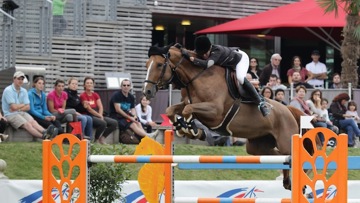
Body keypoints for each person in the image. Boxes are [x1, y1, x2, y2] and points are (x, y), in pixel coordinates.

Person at [185, 35, 269, 116]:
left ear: (210, 47)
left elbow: (207, 64)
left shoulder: (217, 51)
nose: (204, 56)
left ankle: (261, 103)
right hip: (228, 64)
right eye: (202, 54)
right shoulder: (202, 50)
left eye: (205, 53)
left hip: (240, 59)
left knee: (240, 78)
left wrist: (193, 59)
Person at [1, 71, 57, 140]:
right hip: (10, 114)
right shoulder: (8, 90)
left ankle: (45, 132)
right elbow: (13, 107)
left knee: (33, 122)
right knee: (27, 124)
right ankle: (44, 137)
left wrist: (19, 108)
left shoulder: (24, 90)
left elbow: (28, 107)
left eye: (22, 79)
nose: (20, 81)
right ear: (14, 79)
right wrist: (23, 104)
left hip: (20, 112)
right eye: (18, 79)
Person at [80, 76, 118, 144]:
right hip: (89, 115)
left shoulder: (95, 95)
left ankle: (102, 138)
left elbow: (100, 106)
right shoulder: (83, 95)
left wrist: (100, 115)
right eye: (87, 83)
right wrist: (99, 116)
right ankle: (96, 140)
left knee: (114, 123)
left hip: (97, 114)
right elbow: (89, 109)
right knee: (103, 123)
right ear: (84, 85)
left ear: (93, 84)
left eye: (91, 83)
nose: (89, 84)